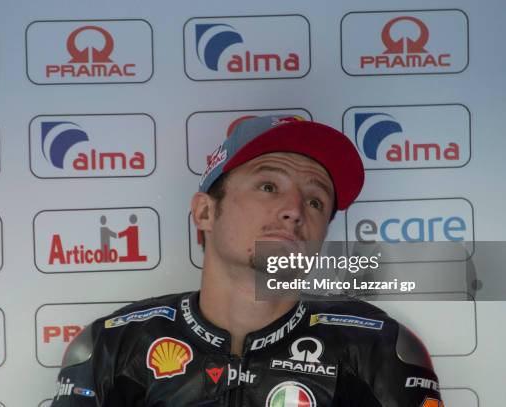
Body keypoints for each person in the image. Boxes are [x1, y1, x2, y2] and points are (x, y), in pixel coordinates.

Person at [50, 115, 444, 406]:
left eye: (315, 200)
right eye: (269, 186)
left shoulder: (377, 347)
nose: (294, 210)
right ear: (205, 213)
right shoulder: (112, 347)